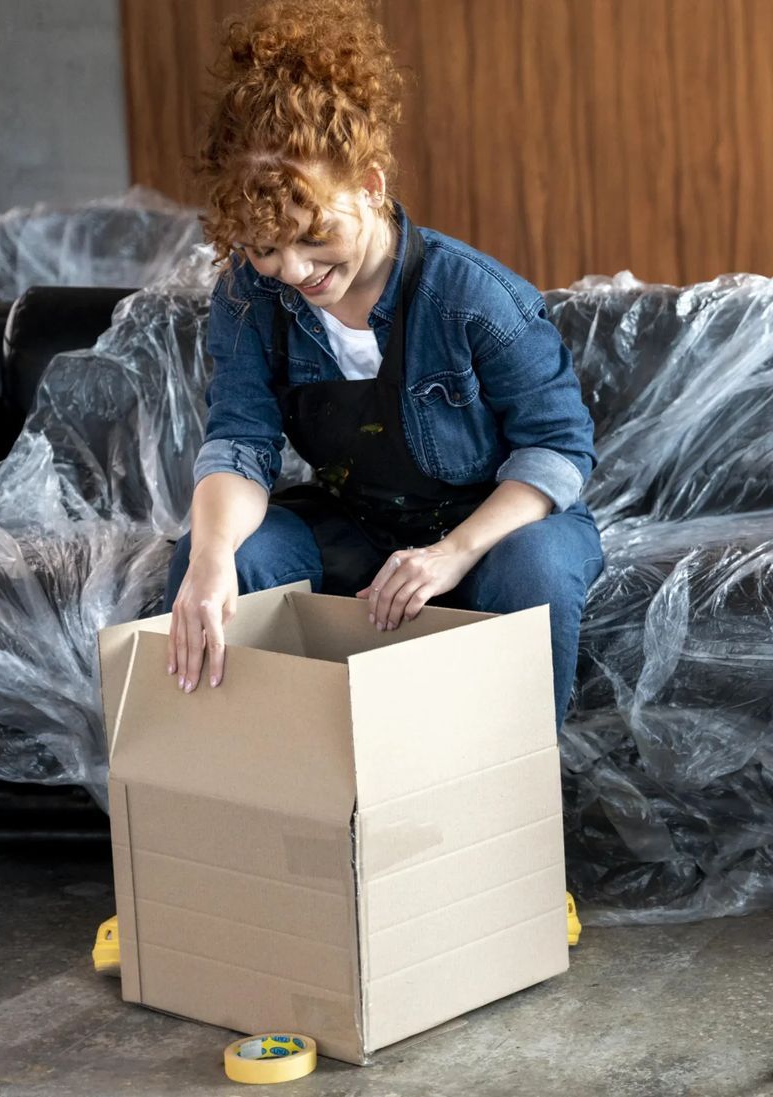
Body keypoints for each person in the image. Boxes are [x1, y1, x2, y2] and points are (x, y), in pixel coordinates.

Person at [165, 0, 603, 731]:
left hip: (494, 529)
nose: (293, 269)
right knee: (214, 564)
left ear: (369, 185)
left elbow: (558, 450)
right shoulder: (249, 297)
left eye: (313, 237)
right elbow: (241, 442)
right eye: (264, 247)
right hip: (360, 524)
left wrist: (451, 555)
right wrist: (210, 554)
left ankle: (505, 812)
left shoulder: (473, 299)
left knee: (534, 572)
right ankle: (259, 814)